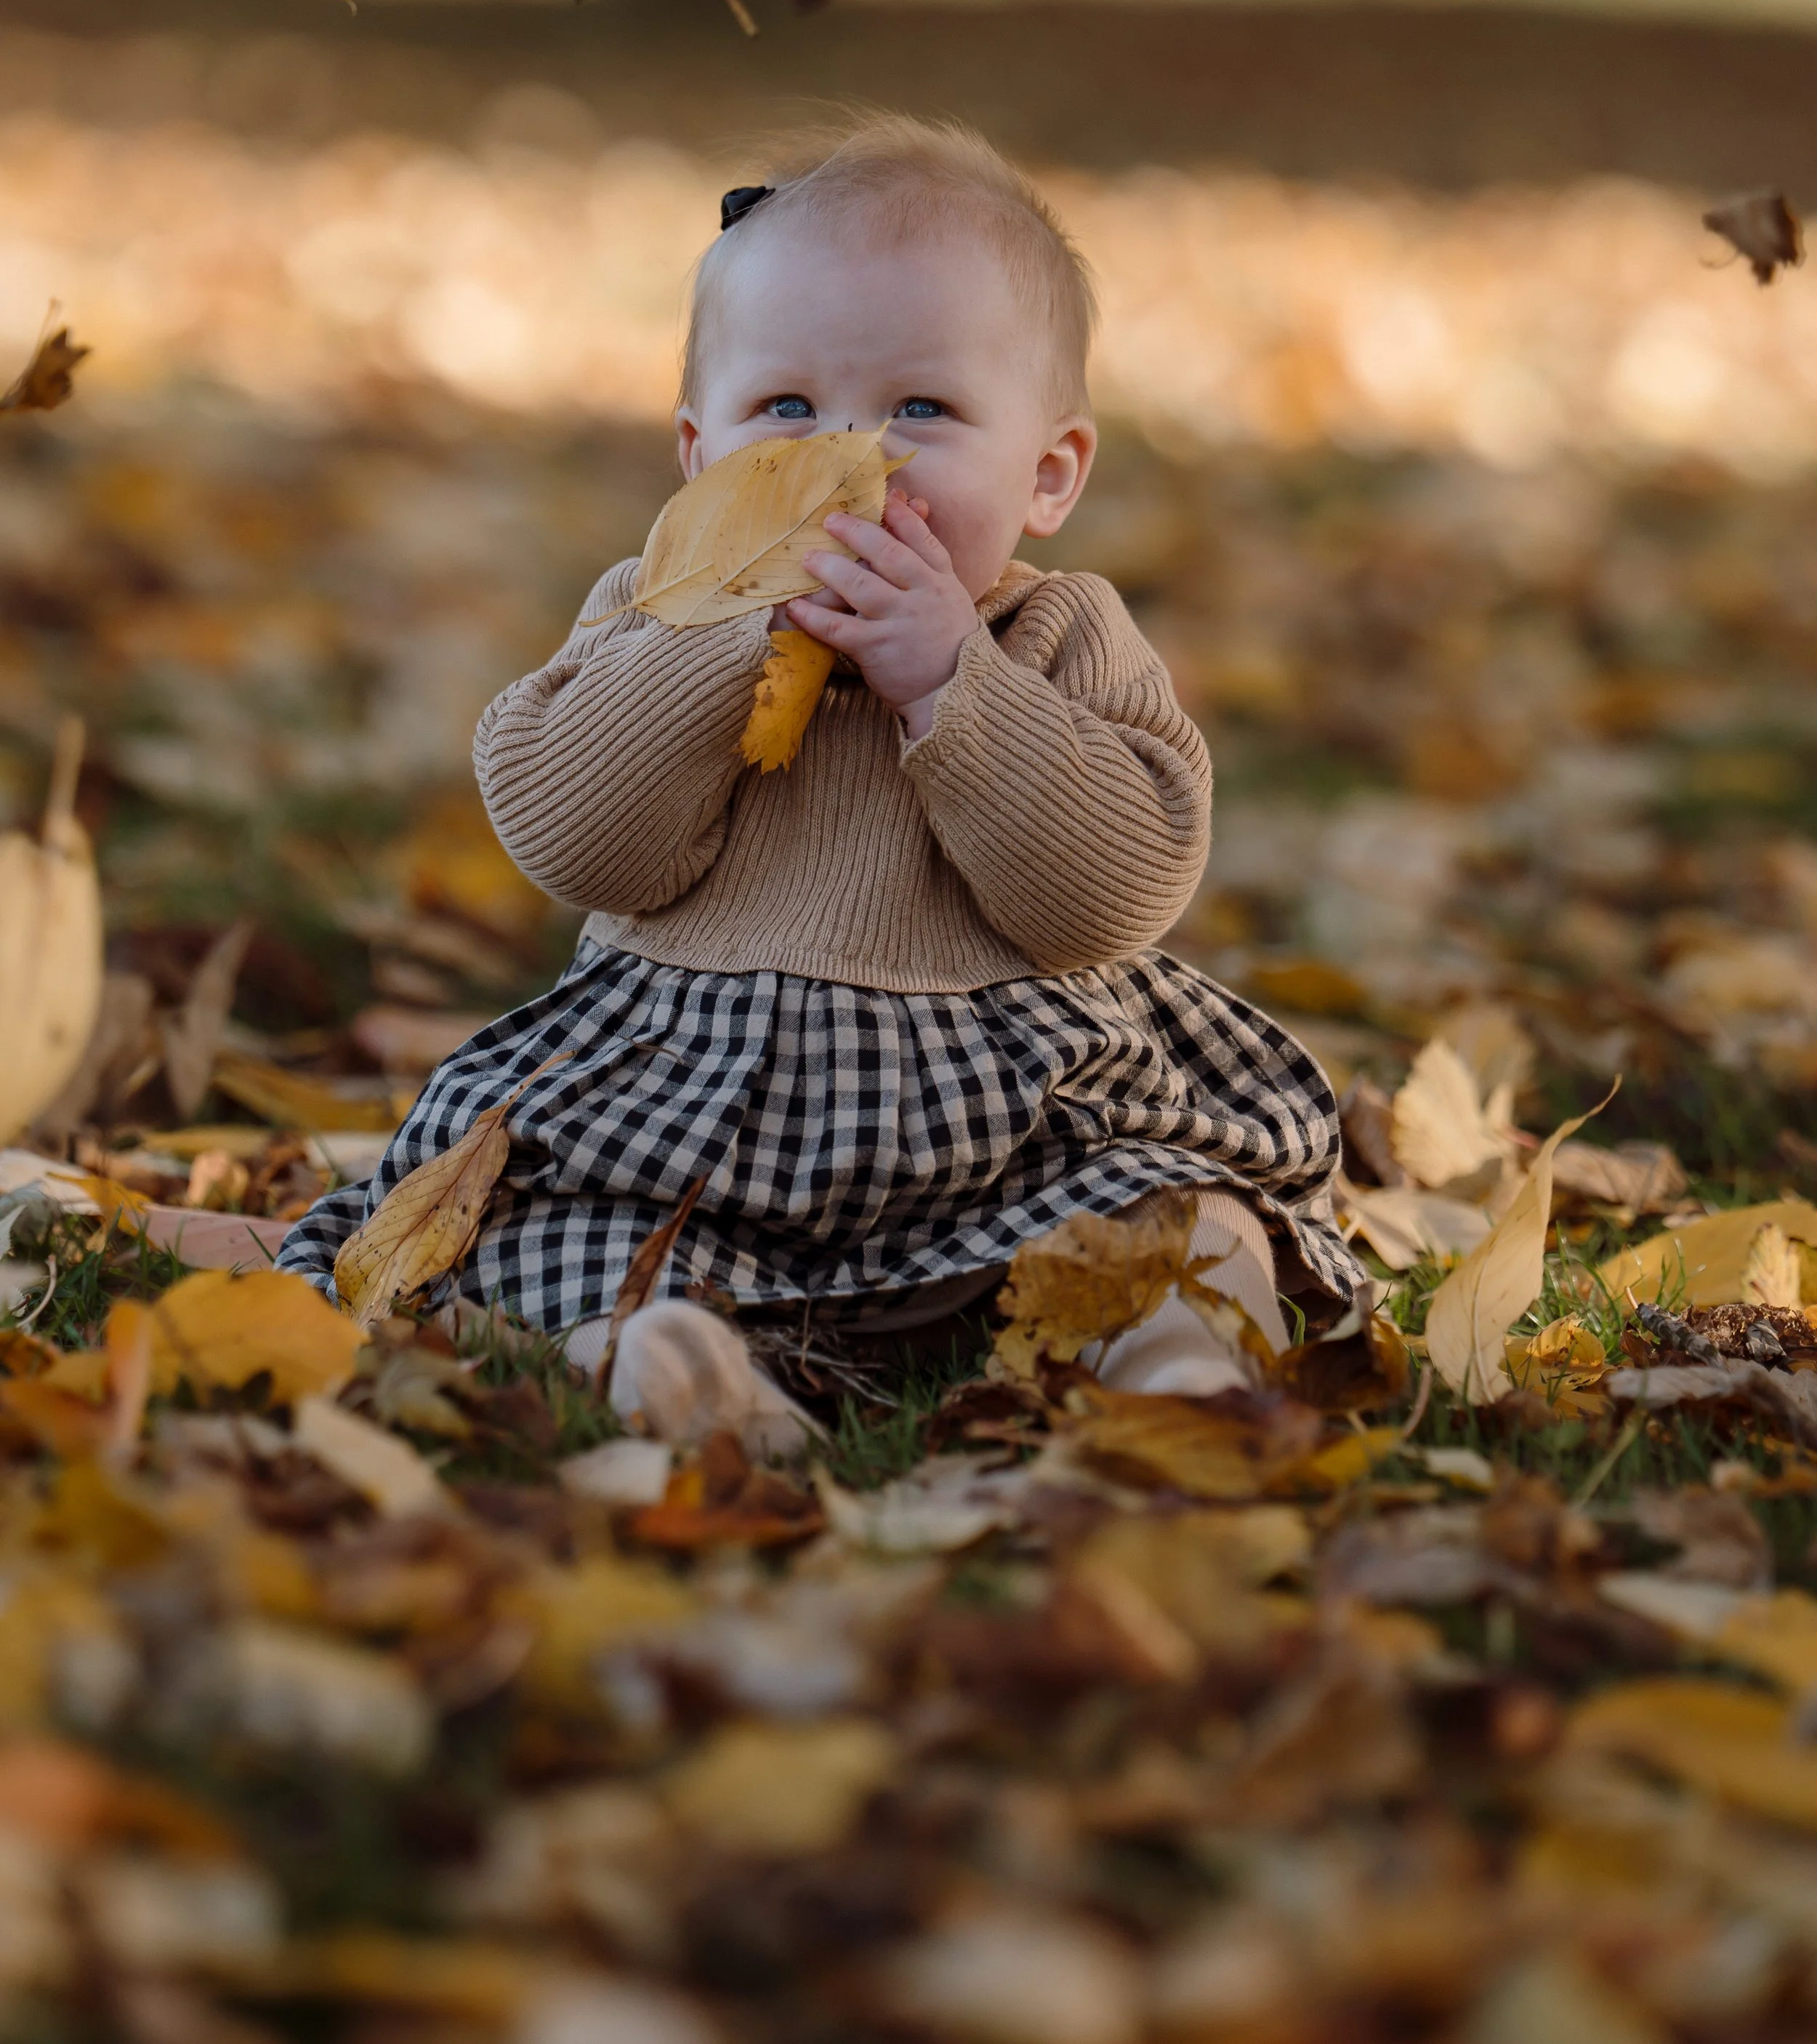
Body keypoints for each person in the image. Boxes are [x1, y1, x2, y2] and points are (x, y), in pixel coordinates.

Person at [277, 116, 1361, 1440]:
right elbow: (578, 842)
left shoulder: (1058, 635)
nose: (851, 458)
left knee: (1182, 1216)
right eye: (785, 411)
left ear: (1049, 473)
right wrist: (722, 640)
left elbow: (1117, 891)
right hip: (697, 1132)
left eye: (921, 409)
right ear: (695, 455)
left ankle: (1178, 1358)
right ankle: (693, 1371)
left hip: (1007, 1134)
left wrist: (956, 684)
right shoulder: (654, 611)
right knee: (543, 1234)